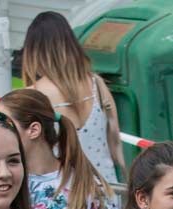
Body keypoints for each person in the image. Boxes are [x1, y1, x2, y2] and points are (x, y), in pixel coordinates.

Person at [23, 11, 124, 183]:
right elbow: (115, 146)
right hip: (106, 191)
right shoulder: (97, 84)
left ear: (33, 51)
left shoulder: (33, 96)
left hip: (61, 195)